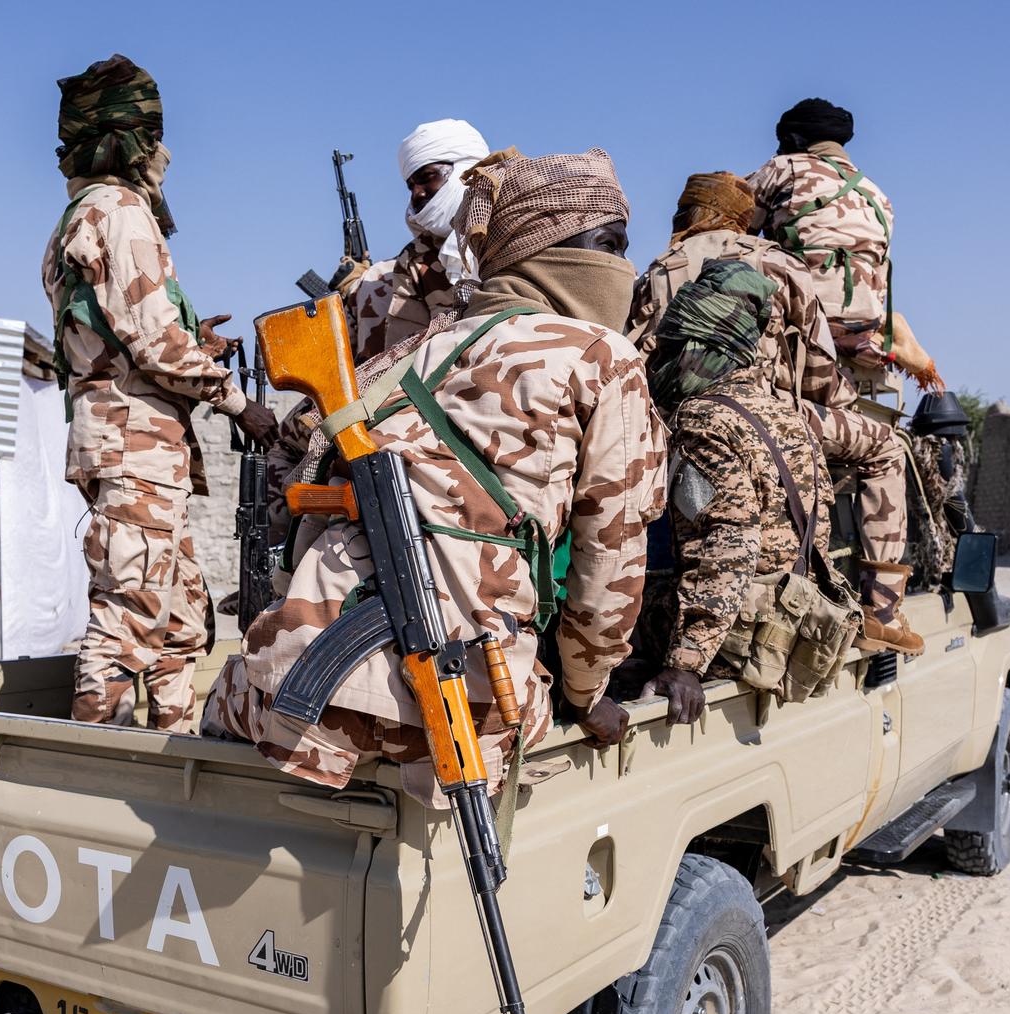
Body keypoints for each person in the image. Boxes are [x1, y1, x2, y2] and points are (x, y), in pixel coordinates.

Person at [204, 148, 668, 805]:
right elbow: (612, 558)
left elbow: (295, 478)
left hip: (294, 686)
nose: (624, 266)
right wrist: (587, 693)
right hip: (458, 702)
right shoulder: (600, 355)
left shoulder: (408, 354)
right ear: (552, 247)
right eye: (611, 245)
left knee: (228, 708)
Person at [41, 54, 277, 731]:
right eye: (157, 139)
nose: (167, 156)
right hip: (135, 450)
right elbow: (150, 345)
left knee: (178, 628)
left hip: (135, 446)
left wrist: (190, 338)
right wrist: (241, 404)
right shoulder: (120, 212)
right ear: (132, 143)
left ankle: (179, 769)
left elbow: (116, 334)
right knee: (127, 628)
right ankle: (99, 773)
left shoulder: (76, 220)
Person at [631, 172, 924, 653]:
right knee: (887, 446)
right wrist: (833, 405)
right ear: (743, 216)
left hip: (672, 419)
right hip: (764, 410)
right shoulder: (777, 262)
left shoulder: (659, 268)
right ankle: (881, 609)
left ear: (686, 213)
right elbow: (819, 368)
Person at [639, 261, 835, 723]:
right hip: (787, 631)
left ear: (699, 350)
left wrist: (684, 665)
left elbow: (727, 543)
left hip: (733, 645)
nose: (657, 364)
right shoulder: (787, 414)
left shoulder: (704, 418)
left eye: (669, 350)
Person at [745, 98, 942, 399]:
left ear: (793, 139)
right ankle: (880, 335)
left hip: (801, 315)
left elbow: (731, 228)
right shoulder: (877, 195)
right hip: (863, 319)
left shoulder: (783, 168)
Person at [347, 119, 489, 359]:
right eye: (411, 185)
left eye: (427, 177)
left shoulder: (519, 232)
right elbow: (401, 359)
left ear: (466, 170)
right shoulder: (415, 260)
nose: (417, 193)